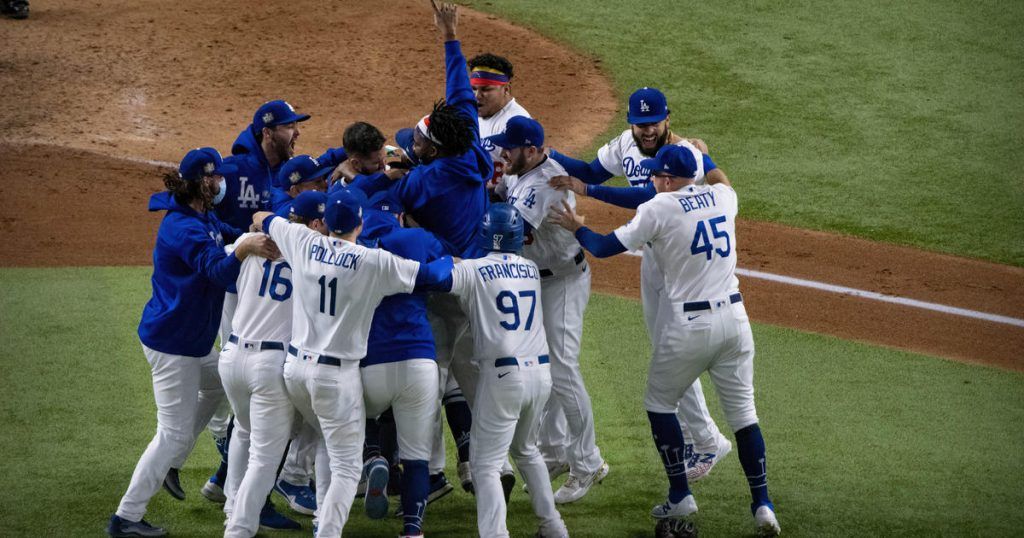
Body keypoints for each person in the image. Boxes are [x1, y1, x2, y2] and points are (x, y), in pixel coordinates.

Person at [548, 144, 781, 536]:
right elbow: (720, 176)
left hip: (688, 327)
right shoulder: (724, 196)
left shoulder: (658, 208)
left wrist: (576, 228)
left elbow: (604, 248)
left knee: (659, 404)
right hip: (735, 322)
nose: (651, 180)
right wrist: (705, 155)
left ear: (669, 180)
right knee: (745, 417)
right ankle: (763, 505)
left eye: (656, 175)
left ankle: (680, 493)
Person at [547, 87, 732, 481]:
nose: (646, 132)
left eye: (653, 124)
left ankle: (707, 439)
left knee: (672, 350)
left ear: (668, 119)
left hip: (683, 264)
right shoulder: (624, 145)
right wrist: (545, 152)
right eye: (639, 124)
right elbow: (589, 170)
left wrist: (590, 193)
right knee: (665, 347)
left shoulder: (687, 154)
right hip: (654, 260)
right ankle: (700, 436)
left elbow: (653, 195)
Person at [251, 188, 455, 538]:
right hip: (338, 375)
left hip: (296, 371)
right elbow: (436, 278)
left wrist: (260, 235)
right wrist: (448, 260)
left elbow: (262, 219)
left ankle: (253, 521)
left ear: (325, 222)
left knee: (328, 441)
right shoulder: (372, 262)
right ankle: (336, 530)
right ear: (360, 223)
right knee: (347, 465)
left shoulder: (300, 239)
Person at [106, 148, 279, 538]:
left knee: (220, 382)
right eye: (214, 177)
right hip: (173, 345)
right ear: (198, 184)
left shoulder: (202, 215)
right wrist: (247, 248)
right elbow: (218, 270)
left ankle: (171, 461)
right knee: (173, 433)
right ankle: (126, 517)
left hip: (190, 342)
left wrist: (253, 234)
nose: (221, 183)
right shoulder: (181, 228)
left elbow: (225, 236)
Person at [425, 203, 569, 538]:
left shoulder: (473, 270)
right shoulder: (530, 269)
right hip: (540, 377)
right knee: (526, 451)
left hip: (504, 378)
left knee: (485, 465)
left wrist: (443, 258)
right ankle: (553, 527)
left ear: (485, 234)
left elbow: (434, 277)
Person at [488, 116, 608, 504]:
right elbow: (503, 188)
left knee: (562, 369)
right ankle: (555, 449)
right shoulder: (523, 169)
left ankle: (589, 462)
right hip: (539, 280)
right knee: (544, 366)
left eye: (511, 146)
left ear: (533, 149)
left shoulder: (545, 184)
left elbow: (511, 229)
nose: (503, 152)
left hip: (563, 282)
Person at [202, 99, 312, 511]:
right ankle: (250, 499)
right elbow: (197, 209)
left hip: (251, 289)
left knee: (248, 411)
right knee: (254, 405)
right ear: (268, 132)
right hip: (239, 294)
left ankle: (224, 484)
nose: (296, 133)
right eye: (289, 127)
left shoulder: (276, 174)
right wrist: (239, 241)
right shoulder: (233, 170)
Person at [221, 191, 327, 538]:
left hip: (232, 357)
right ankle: (239, 528)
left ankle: (230, 508)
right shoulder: (310, 256)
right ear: (314, 224)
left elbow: (223, 265)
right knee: (265, 458)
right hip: (270, 364)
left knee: (243, 432)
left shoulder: (249, 242)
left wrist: (250, 237)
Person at [356, 190, 448, 535]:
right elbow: (445, 271)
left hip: (371, 362)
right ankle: (412, 529)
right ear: (398, 216)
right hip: (419, 361)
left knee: (353, 414)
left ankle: (374, 454)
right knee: (417, 457)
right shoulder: (417, 238)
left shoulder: (358, 247)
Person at [469, 52, 532, 185]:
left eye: (485, 89)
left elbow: (526, 180)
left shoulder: (516, 124)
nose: (477, 95)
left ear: (506, 89)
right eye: (473, 89)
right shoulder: (473, 112)